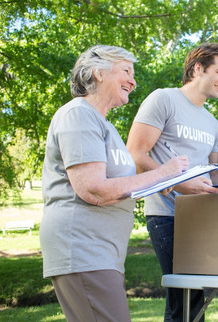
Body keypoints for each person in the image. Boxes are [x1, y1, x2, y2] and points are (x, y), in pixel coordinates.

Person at [40, 45, 189, 322]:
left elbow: (118, 183)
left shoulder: (103, 124)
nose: (133, 81)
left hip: (102, 253)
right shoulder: (78, 115)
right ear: (98, 73)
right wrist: (163, 172)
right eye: (126, 71)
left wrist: (157, 182)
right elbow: (93, 188)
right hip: (83, 249)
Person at [126, 43, 218, 322]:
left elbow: (213, 175)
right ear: (198, 69)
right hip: (167, 215)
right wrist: (179, 183)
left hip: (203, 218)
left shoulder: (211, 122)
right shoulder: (163, 100)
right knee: (183, 300)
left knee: (196, 300)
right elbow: (136, 153)